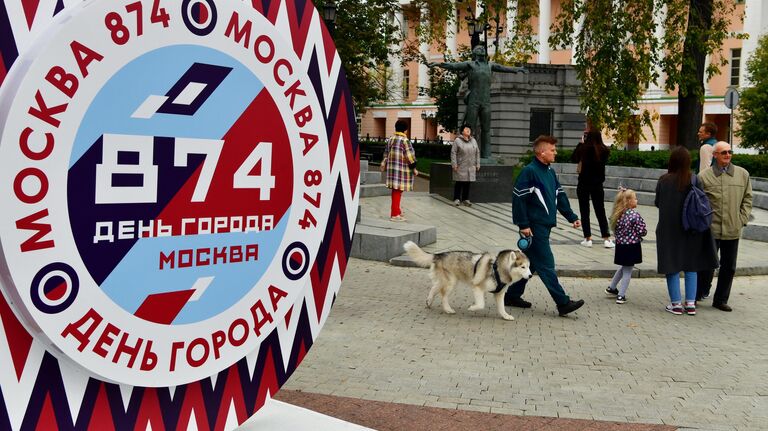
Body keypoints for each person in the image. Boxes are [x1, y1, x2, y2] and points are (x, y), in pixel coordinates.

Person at [503, 135, 585, 316]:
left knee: (530, 264)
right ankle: (563, 303)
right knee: (546, 265)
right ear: (541, 152)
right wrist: (523, 224)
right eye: (552, 150)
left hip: (544, 226)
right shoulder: (529, 171)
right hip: (534, 227)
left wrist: (571, 217)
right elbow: (518, 199)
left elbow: (560, 196)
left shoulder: (550, 172)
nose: (555, 153)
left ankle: (512, 296)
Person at [428, 46, 527, 158]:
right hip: (473, 101)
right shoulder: (470, 65)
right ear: (474, 53)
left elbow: (502, 67)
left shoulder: (490, 65)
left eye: (482, 49)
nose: (482, 50)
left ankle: (487, 155)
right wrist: (438, 64)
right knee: (469, 129)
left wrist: (516, 69)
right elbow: (454, 66)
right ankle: (467, 155)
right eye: (479, 49)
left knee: (486, 129)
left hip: (486, 102)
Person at [655, 147, 718, 315]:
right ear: (688, 162)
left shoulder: (663, 180)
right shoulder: (694, 179)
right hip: (691, 229)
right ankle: (690, 304)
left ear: (672, 161)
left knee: (672, 266)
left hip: (668, 230)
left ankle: (675, 304)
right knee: (691, 267)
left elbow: (657, 203)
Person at [696, 141, 753, 311]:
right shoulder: (704, 176)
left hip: (732, 229)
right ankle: (700, 292)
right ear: (715, 155)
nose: (727, 155)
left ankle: (720, 299)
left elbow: (748, 199)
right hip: (710, 230)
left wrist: (741, 219)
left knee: (729, 266)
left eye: (729, 152)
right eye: (723, 152)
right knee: (707, 264)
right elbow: (698, 202)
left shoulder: (742, 174)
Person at [571, 130, 614, 248]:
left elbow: (574, 158)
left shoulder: (583, 149)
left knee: (584, 211)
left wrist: (580, 144)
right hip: (598, 184)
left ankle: (588, 238)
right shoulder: (604, 150)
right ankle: (606, 238)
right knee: (600, 211)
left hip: (583, 183)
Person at [605, 188, 647, 304]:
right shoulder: (634, 215)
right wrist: (640, 234)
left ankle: (612, 287)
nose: (637, 200)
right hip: (632, 246)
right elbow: (642, 230)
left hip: (621, 246)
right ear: (629, 201)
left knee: (624, 267)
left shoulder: (617, 215)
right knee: (628, 270)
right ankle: (621, 295)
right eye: (635, 198)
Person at [380, 120, 418, 221]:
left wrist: (383, 163)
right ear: (405, 130)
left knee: (396, 190)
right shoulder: (405, 141)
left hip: (392, 169)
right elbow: (410, 156)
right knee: (397, 191)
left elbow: (386, 153)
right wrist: (414, 168)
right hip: (401, 170)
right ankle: (395, 214)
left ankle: (397, 210)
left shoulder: (391, 139)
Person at [451, 124, 480, 206]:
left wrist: (478, 164)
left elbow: (477, 152)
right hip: (461, 165)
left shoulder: (473, 140)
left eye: (469, 129)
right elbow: (453, 153)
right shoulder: (457, 140)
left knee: (468, 183)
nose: (468, 130)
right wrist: (454, 164)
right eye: (466, 129)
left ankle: (465, 199)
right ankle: (456, 199)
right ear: (462, 131)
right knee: (459, 182)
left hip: (471, 165)